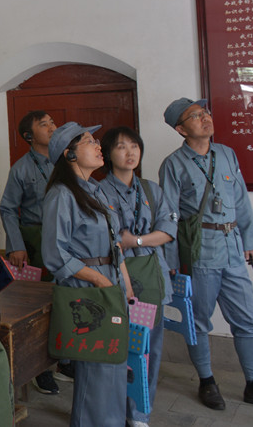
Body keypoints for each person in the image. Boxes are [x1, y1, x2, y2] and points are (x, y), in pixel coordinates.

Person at [158, 97, 253, 412]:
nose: (205, 117)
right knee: (199, 322)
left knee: (248, 320)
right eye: (195, 115)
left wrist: (249, 241)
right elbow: (169, 215)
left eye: (205, 112)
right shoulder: (173, 164)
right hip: (200, 252)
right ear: (181, 129)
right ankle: (207, 381)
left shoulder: (226, 154)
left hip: (232, 247)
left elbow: (241, 199)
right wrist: (171, 261)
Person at [41, 121, 132, 427]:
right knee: (97, 368)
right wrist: (98, 280)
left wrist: (123, 283)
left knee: (114, 362)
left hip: (108, 283)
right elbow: (55, 254)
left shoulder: (95, 190)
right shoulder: (61, 195)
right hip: (88, 289)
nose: (98, 146)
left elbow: (114, 243)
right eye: (89, 142)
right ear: (69, 154)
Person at [98, 126, 175, 427]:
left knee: (148, 348)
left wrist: (136, 240)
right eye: (121, 147)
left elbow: (168, 231)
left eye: (134, 146)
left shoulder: (151, 190)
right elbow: (107, 240)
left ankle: (140, 413)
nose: (130, 152)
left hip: (152, 280)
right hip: (118, 278)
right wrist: (132, 241)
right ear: (108, 153)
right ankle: (115, 410)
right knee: (118, 346)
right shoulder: (99, 191)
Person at [0, 109, 62, 393]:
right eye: (44, 124)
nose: (52, 127)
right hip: (36, 240)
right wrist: (17, 245)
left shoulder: (66, 162)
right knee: (39, 307)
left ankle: (64, 358)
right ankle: (41, 369)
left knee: (65, 299)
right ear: (29, 136)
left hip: (65, 238)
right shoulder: (21, 169)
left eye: (52, 122)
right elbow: (8, 209)